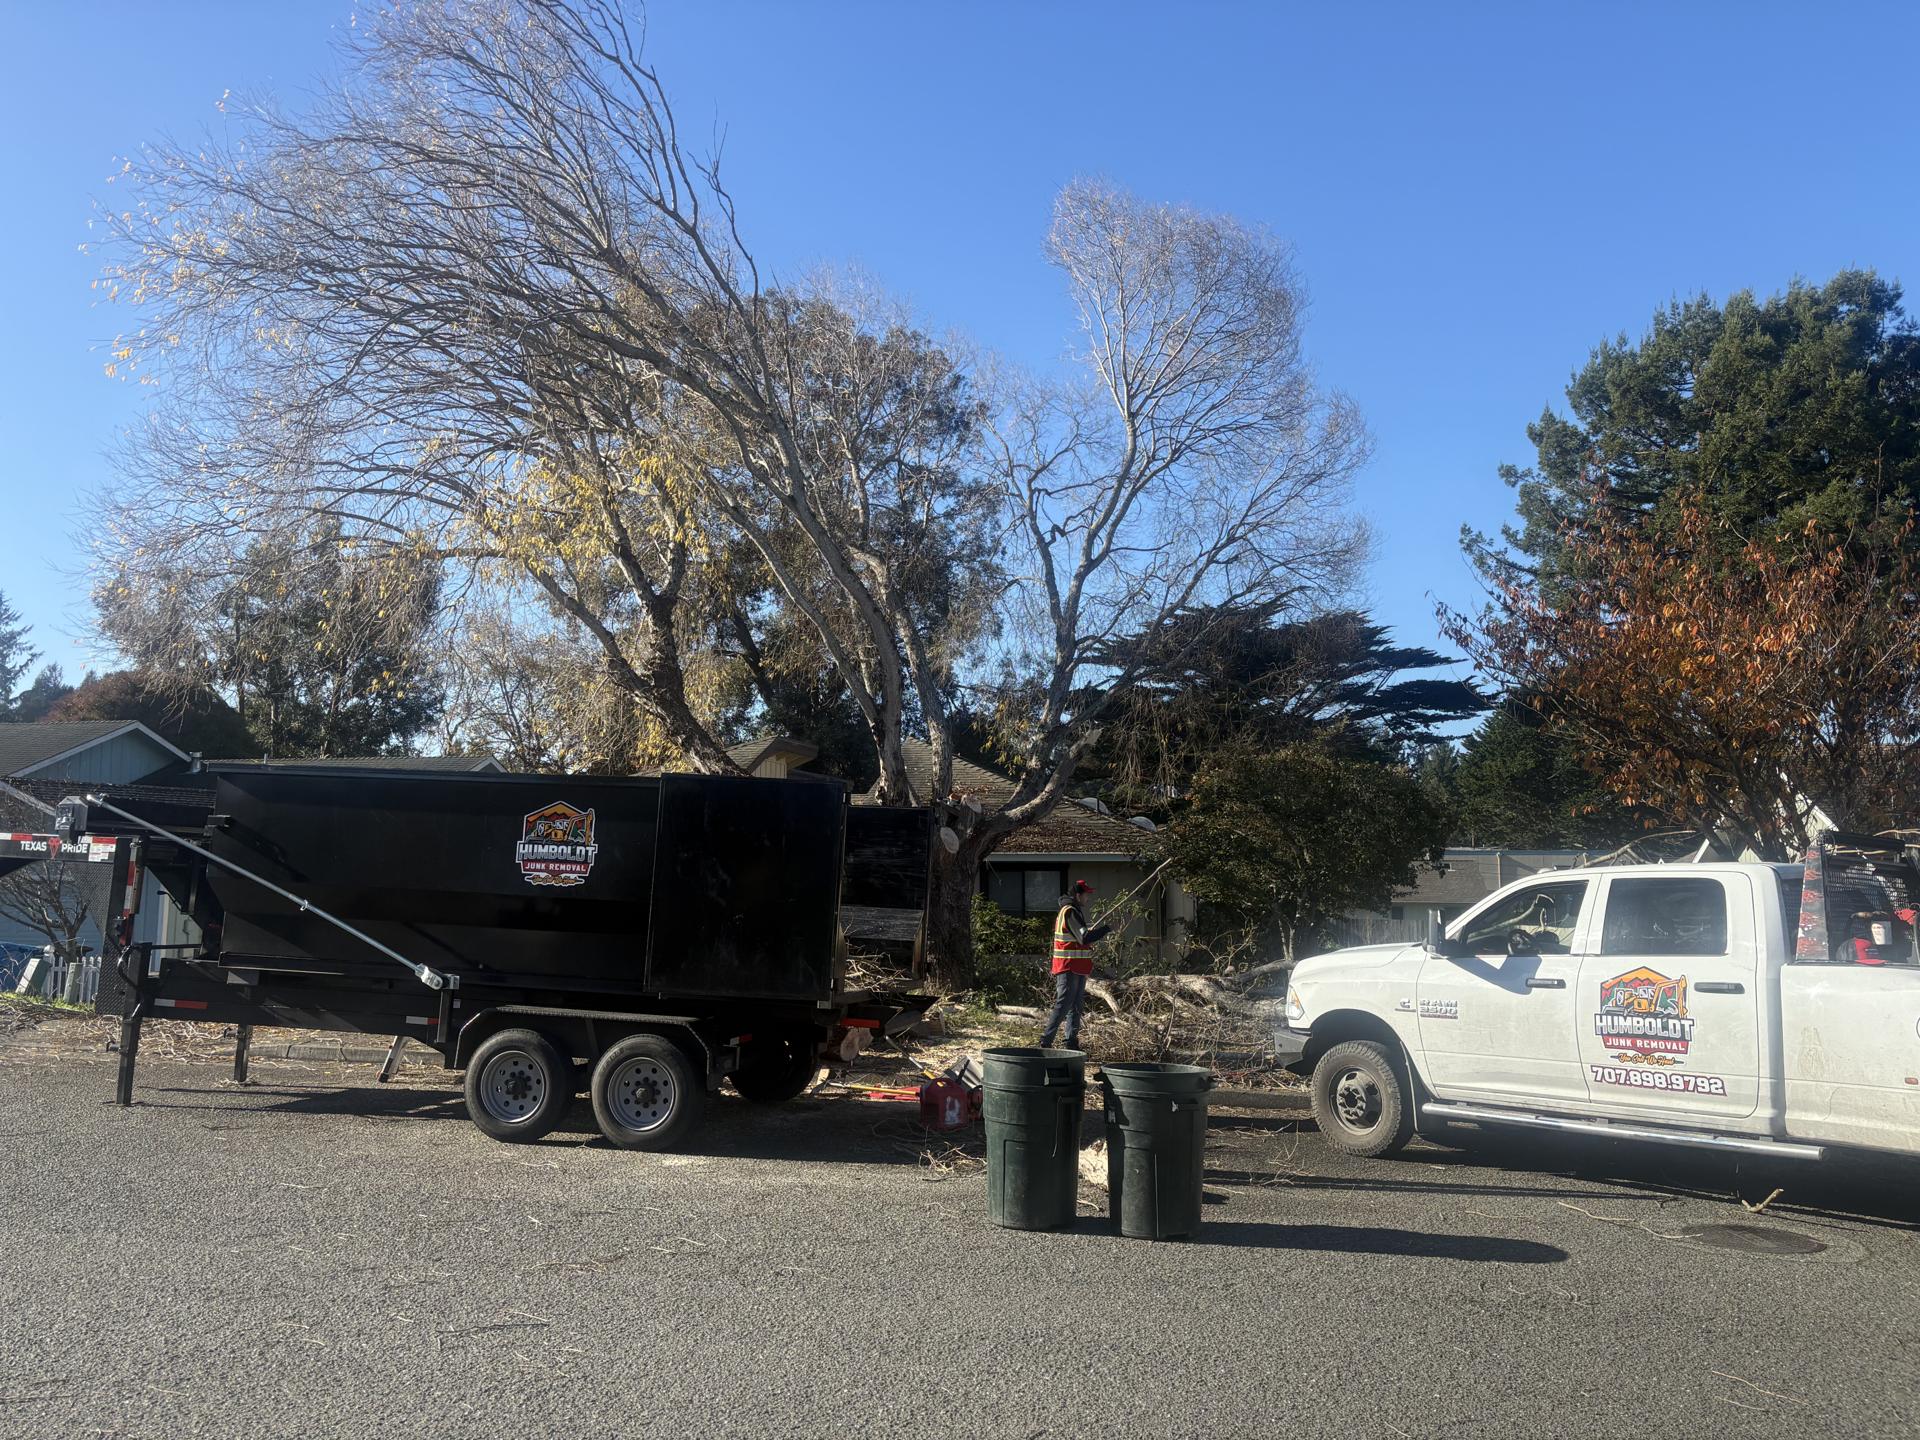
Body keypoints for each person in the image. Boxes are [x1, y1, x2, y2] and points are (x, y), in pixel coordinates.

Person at [1040, 880, 1111, 1050]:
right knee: (1064, 1003)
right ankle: (1046, 1041)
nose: (1088, 898)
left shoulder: (1075, 911)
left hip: (1078, 967)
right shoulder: (1070, 911)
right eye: (1086, 894)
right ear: (1078, 895)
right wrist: (1105, 929)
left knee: (1076, 1006)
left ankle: (1070, 1042)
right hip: (1068, 966)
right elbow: (1084, 937)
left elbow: (1079, 939)